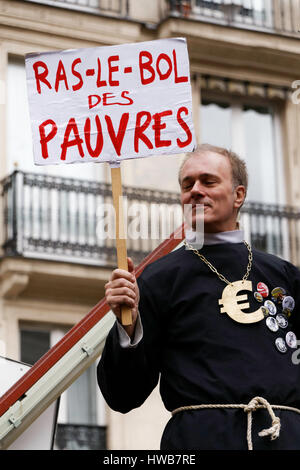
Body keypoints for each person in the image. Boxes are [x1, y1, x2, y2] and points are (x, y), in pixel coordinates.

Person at [97, 144, 300, 450]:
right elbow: (123, 395)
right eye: (187, 184)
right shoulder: (157, 279)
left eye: (208, 181)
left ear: (238, 195)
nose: (195, 191)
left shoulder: (285, 275)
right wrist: (128, 328)